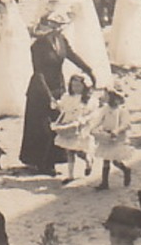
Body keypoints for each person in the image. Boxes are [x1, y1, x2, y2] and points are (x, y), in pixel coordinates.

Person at [19, 13, 96, 175]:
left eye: (61, 25)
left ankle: (52, 160)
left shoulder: (61, 40)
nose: (57, 28)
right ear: (48, 25)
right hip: (40, 89)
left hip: (58, 86)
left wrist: (89, 70)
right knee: (42, 127)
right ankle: (41, 163)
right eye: (54, 25)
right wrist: (49, 97)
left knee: (58, 124)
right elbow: (38, 73)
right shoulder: (38, 45)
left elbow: (72, 56)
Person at [0, 0, 32, 118]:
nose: (2, 8)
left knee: (12, 76)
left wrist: (10, 39)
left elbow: (22, 38)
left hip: (12, 52)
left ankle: (13, 105)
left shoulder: (15, 18)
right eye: (0, 5)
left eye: (4, 5)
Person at [50, 74, 95, 182]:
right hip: (68, 124)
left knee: (78, 150)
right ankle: (70, 175)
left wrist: (83, 120)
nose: (75, 88)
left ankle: (88, 160)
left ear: (84, 87)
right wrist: (56, 104)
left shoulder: (87, 100)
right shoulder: (67, 97)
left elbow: (91, 113)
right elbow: (62, 107)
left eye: (78, 86)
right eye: (73, 86)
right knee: (69, 150)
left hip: (80, 127)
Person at [92, 89, 134, 190]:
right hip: (106, 136)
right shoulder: (105, 109)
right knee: (106, 159)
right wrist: (93, 128)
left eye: (107, 96)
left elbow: (125, 124)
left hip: (117, 137)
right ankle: (104, 182)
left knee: (115, 160)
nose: (105, 97)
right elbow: (99, 120)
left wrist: (117, 130)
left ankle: (125, 169)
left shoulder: (122, 110)